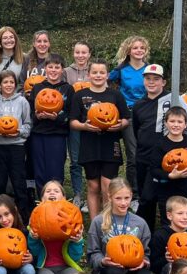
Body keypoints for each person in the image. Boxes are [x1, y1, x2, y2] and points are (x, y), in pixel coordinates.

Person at [131, 64, 187, 229]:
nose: (152, 82)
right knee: (146, 198)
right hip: (144, 156)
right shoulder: (139, 104)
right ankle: (146, 237)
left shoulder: (173, 98)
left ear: (163, 82)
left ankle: (169, 234)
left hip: (168, 158)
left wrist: (177, 144)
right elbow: (136, 129)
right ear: (144, 81)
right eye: (148, 79)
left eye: (156, 79)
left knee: (167, 199)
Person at [69, 59, 130, 216]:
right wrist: (84, 126)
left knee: (107, 185)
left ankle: (108, 222)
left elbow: (126, 118)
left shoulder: (115, 95)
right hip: (89, 144)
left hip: (110, 144)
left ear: (107, 75)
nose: (98, 75)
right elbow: (73, 122)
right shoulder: (79, 95)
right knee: (93, 185)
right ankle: (96, 223)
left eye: (101, 72)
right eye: (94, 72)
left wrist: (120, 125)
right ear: (88, 75)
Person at [86, 178, 153, 274]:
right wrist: (102, 261)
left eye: (126, 198)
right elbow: (92, 253)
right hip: (108, 269)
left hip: (134, 267)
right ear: (110, 196)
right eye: (118, 198)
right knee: (114, 273)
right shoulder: (99, 221)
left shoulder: (140, 223)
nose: (123, 203)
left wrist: (144, 262)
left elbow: (146, 252)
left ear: (131, 196)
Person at [0, 70, 33, 219]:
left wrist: (19, 132)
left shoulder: (22, 102)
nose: (8, 85)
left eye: (11, 82)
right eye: (5, 82)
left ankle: (23, 216)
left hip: (17, 147)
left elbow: (27, 124)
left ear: (16, 84)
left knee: (19, 181)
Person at [109, 36, 150, 196]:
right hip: (129, 114)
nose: (139, 50)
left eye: (142, 48)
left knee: (145, 151)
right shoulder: (121, 70)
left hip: (146, 113)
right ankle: (133, 190)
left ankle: (145, 188)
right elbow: (105, 82)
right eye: (135, 48)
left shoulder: (149, 69)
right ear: (128, 51)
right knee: (133, 154)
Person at [27, 54, 73, 194]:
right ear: (45, 69)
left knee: (55, 169)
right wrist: (38, 116)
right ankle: (42, 200)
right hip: (38, 134)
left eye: (57, 67)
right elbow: (30, 113)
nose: (53, 70)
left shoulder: (68, 89)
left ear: (62, 70)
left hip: (57, 135)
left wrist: (56, 118)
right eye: (50, 67)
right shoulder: (37, 87)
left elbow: (70, 114)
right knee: (39, 169)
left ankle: (56, 198)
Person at [31, 181, 85, 274]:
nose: (52, 193)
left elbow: (75, 257)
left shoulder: (71, 218)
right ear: (42, 198)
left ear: (64, 198)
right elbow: (34, 252)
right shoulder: (36, 217)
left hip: (65, 267)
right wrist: (33, 239)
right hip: (45, 267)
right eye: (48, 191)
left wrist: (77, 241)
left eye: (56, 191)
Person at [147, 107, 187, 228]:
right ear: (166, 123)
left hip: (185, 188)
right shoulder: (160, 144)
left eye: (180, 122)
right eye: (172, 121)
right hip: (166, 189)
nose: (176, 125)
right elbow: (154, 169)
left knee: (184, 218)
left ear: (185, 125)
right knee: (168, 220)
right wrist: (170, 175)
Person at [65, 41, 92, 211]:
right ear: (73, 53)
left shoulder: (93, 71)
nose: (81, 55)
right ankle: (77, 194)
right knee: (75, 160)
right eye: (78, 52)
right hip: (74, 120)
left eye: (84, 52)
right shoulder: (66, 72)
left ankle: (92, 193)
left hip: (93, 120)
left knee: (90, 159)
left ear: (89, 54)